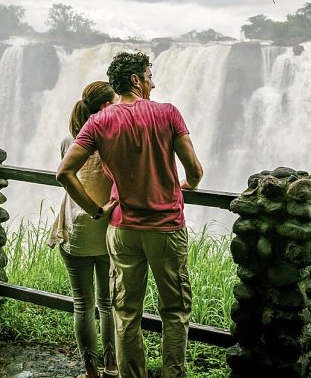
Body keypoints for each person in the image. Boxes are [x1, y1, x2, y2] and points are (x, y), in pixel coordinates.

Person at [56, 51, 204, 378]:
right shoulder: (168, 114)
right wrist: (186, 183)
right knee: (175, 312)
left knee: (126, 313)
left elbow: (65, 173)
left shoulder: (98, 121)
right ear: (136, 80)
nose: (154, 82)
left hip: (122, 230)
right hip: (166, 228)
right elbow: (194, 169)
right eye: (150, 76)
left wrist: (97, 210)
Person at [50, 81, 119, 378]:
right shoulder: (114, 141)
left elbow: (67, 177)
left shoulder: (70, 141)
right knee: (107, 304)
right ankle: (112, 367)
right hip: (107, 230)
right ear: (105, 106)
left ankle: (91, 372)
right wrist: (100, 210)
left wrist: (90, 210)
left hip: (77, 229)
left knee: (83, 305)